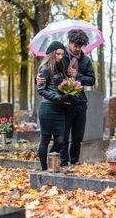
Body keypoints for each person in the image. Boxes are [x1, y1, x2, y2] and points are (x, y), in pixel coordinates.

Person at [37, 29, 95, 166]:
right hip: (64, 103)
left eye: (80, 46)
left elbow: (91, 80)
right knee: (62, 139)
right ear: (69, 43)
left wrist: (77, 75)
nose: (77, 49)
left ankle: (74, 161)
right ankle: (63, 162)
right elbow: (48, 72)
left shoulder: (86, 61)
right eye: (75, 45)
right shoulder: (61, 56)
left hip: (80, 103)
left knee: (78, 137)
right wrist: (37, 79)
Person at [37, 41, 71, 170]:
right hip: (48, 108)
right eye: (58, 54)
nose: (60, 57)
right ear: (52, 54)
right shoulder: (44, 68)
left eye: (62, 54)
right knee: (45, 139)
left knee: (60, 140)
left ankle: (51, 162)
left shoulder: (61, 68)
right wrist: (58, 97)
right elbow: (41, 90)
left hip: (60, 109)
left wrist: (69, 91)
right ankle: (44, 168)